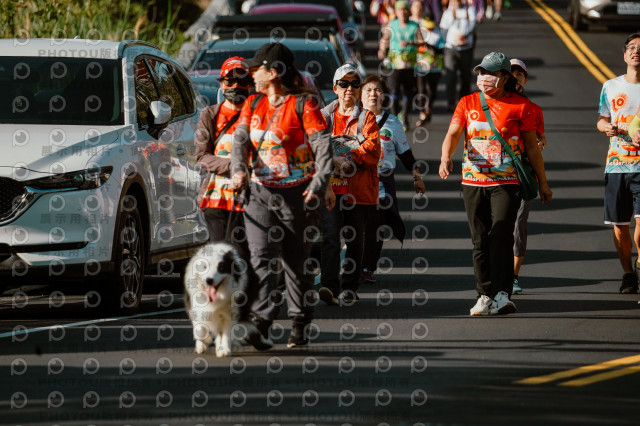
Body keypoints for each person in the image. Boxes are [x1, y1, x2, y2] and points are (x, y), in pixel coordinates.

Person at [230, 42, 333, 348]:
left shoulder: (304, 105)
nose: (251, 73)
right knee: (261, 258)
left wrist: (318, 184)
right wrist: (238, 170)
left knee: (294, 262)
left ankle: (300, 319)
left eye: (256, 68)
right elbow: (240, 143)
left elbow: (323, 148)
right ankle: (262, 321)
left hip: (297, 195)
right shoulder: (253, 104)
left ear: (273, 73)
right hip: (259, 193)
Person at [439, 51, 552, 316]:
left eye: (490, 73)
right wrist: (445, 157)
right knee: (479, 240)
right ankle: (484, 294)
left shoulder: (520, 107)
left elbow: (532, 149)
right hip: (473, 181)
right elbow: (453, 133)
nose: (484, 78)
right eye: (481, 72)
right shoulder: (467, 102)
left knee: (500, 234)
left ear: (504, 77)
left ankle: (502, 294)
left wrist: (543, 183)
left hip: (506, 181)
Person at [195, 56, 273, 351]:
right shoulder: (210, 115)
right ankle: (208, 319)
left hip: (252, 201)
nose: (237, 86)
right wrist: (233, 166)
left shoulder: (260, 114)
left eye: (243, 81)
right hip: (217, 200)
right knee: (221, 261)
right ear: (222, 83)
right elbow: (201, 156)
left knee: (253, 263)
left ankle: (243, 320)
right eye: (230, 80)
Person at [318, 64, 381, 305]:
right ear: (335, 88)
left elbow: (373, 149)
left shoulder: (367, 117)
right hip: (330, 189)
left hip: (359, 190)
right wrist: (330, 160)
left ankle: (350, 288)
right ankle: (329, 286)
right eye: (344, 84)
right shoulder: (323, 118)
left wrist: (348, 158)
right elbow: (313, 147)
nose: (349, 89)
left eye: (355, 85)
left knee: (355, 239)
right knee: (331, 236)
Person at [360, 75, 426, 283]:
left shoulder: (393, 123)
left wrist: (417, 178)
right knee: (354, 226)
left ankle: (366, 268)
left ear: (384, 96)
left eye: (377, 90)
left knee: (375, 226)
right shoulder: (352, 121)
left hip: (382, 183)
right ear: (360, 96)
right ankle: (353, 263)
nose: (373, 94)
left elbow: (405, 154)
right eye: (368, 90)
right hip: (356, 182)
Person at [596, 33, 640, 294]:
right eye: (632, 48)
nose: (636, 51)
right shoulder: (611, 86)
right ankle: (628, 274)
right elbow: (601, 119)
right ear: (624, 55)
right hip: (616, 165)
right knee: (620, 226)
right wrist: (606, 127)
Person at [509, 58, 547, 295]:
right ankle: (495, 270)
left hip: (523, 172)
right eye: (511, 73)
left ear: (525, 79)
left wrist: (540, 142)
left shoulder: (533, 109)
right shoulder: (493, 104)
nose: (516, 77)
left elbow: (541, 139)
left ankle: (512, 275)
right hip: (496, 172)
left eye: (520, 74)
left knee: (518, 223)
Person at [378, 0, 425, 129]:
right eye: (400, 10)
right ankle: (395, 116)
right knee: (394, 91)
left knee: (408, 92)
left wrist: (411, 43)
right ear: (397, 12)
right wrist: (381, 49)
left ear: (408, 11)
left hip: (409, 64)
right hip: (395, 64)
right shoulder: (392, 25)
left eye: (405, 10)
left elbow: (422, 42)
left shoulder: (414, 25)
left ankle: (405, 116)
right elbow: (384, 39)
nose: (403, 12)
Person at [439, 0, 476, 112]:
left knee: (466, 76)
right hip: (451, 49)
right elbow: (443, 30)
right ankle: (450, 102)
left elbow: (473, 25)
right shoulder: (448, 13)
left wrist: (464, 35)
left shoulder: (470, 10)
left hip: (466, 49)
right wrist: (449, 42)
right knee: (450, 75)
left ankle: (464, 101)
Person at [415, 13, 444, 126]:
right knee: (421, 90)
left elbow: (442, 50)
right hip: (420, 66)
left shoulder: (438, 32)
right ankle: (422, 113)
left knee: (432, 91)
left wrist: (430, 46)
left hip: (435, 67)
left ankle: (428, 109)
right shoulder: (419, 31)